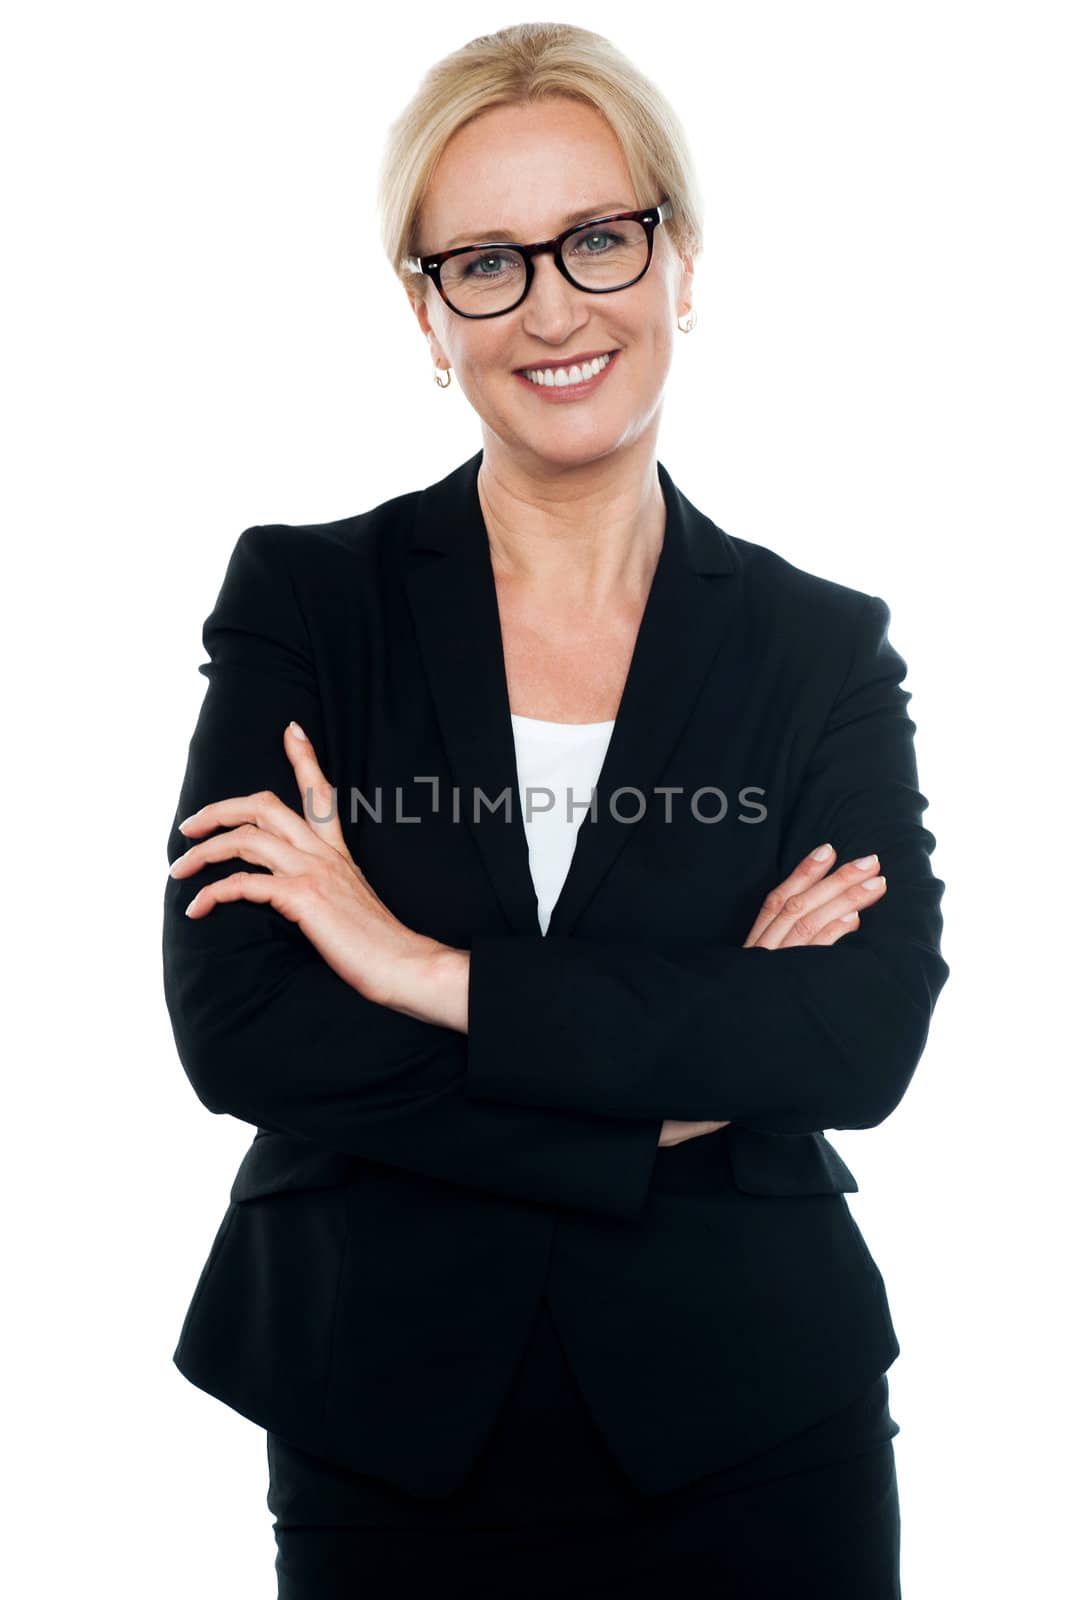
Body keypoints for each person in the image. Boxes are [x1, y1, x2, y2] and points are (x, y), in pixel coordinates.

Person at [162, 21, 949, 1599]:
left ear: (679, 261)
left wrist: (422, 973)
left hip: (753, 1418)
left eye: (597, 237)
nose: (550, 307)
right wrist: (663, 1091)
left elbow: (852, 1040)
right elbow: (243, 1028)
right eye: (485, 263)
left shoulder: (815, 644)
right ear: (424, 312)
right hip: (387, 1418)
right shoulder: (310, 603)